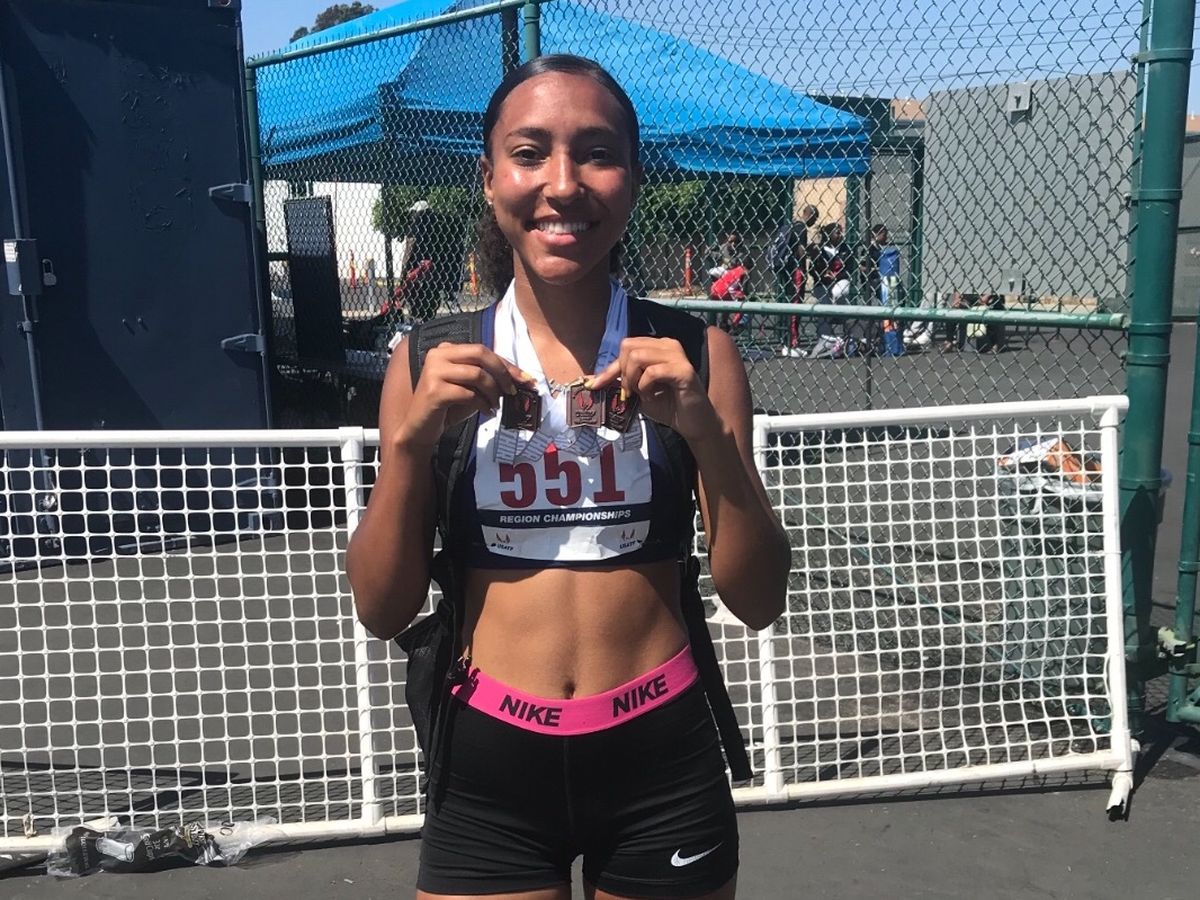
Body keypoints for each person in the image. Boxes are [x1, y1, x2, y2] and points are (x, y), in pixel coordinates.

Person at [346, 54, 790, 900]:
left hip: (661, 752)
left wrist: (703, 431)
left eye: (596, 153)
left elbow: (760, 597)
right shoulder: (427, 360)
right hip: (487, 763)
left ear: (633, 178)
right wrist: (407, 448)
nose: (562, 183)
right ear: (489, 179)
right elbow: (381, 608)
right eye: (529, 153)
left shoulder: (698, 355)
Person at [768, 204, 818, 358]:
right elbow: (801, 252)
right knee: (796, 305)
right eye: (815, 218)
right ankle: (792, 343)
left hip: (786, 269)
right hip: (796, 270)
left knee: (788, 304)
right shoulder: (802, 229)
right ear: (810, 214)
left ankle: (786, 341)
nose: (815, 222)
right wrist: (811, 251)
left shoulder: (791, 226)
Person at [808, 222, 853, 358]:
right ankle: (825, 337)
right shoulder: (820, 249)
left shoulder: (845, 249)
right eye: (837, 232)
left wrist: (836, 276)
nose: (840, 235)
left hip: (839, 280)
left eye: (840, 232)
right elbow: (812, 270)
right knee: (824, 303)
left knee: (839, 292)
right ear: (829, 234)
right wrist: (822, 274)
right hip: (822, 283)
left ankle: (839, 317)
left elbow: (849, 269)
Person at [709, 259, 750, 333]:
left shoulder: (732, 271)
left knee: (727, 305)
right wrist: (743, 294)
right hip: (726, 290)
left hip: (714, 288)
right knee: (742, 303)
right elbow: (743, 288)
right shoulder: (744, 272)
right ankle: (734, 325)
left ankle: (723, 324)